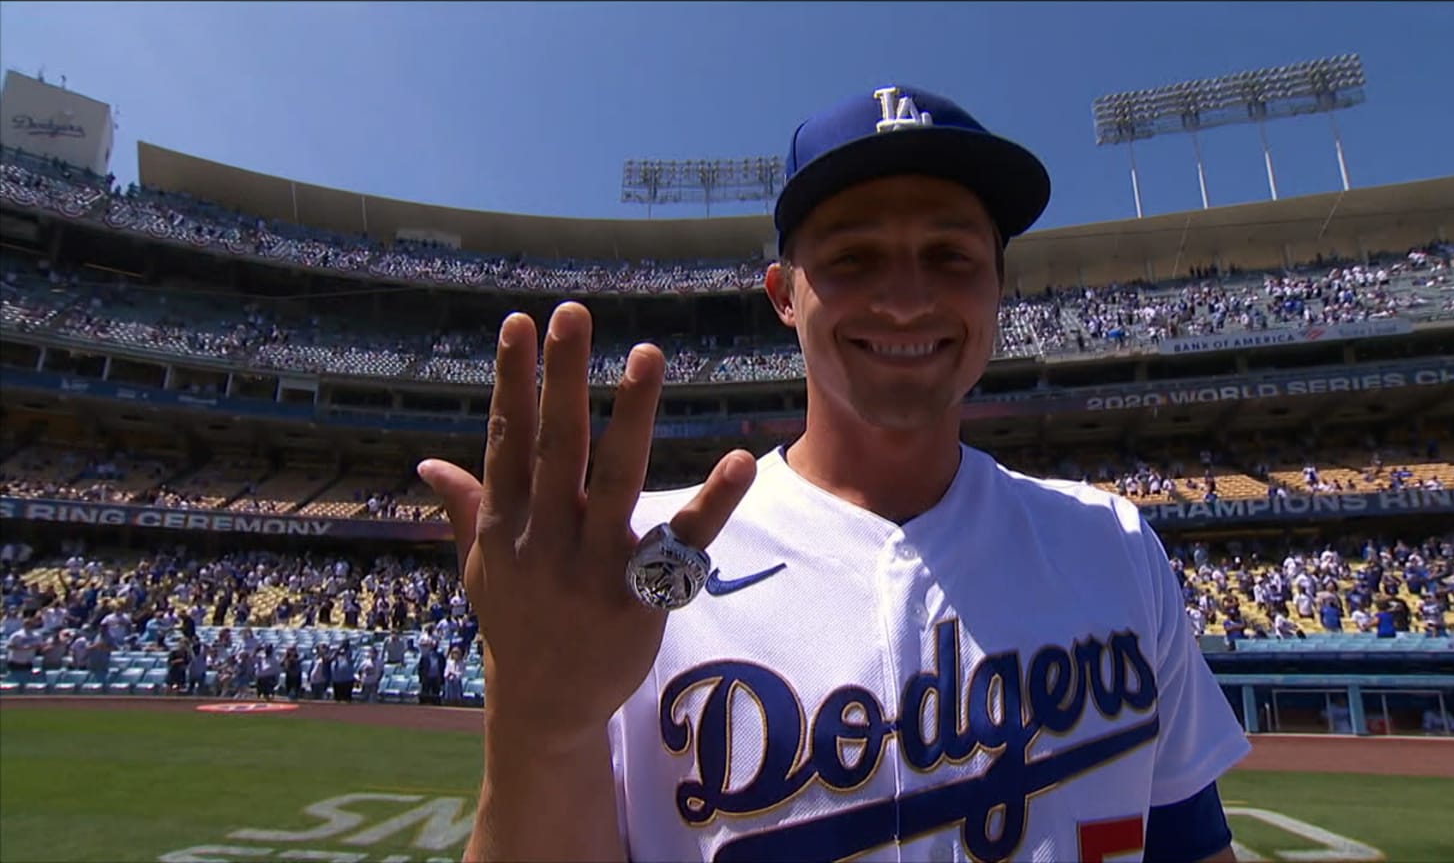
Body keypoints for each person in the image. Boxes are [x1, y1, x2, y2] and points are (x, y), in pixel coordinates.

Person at [421, 84, 1249, 863]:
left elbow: (1190, 841)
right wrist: (540, 732)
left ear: (1001, 285)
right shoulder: (627, 563)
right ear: (784, 294)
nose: (904, 299)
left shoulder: (1112, 543)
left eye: (951, 255)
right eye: (853, 258)